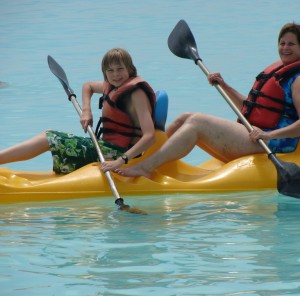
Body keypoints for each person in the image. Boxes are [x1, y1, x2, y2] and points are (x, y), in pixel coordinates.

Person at [116, 22, 300, 179]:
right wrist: (224, 85)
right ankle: (145, 157)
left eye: (291, 44)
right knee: (185, 117)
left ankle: (146, 167)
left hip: (274, 142)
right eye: (282, 43)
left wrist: (269, 136)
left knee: (197, 123)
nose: (285, 48)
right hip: (257, 133)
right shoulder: (280, 73)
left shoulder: (297, 79)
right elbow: (251, 108)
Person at [0, 48, 156, 174]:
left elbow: (149, 136)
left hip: (119, 153)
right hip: (106, 146)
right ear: (105, 73)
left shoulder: (136, 94)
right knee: (48, 134)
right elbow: (87, 86)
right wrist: (86, 110)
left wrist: (120, 161)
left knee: (49, 137)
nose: (115, 74)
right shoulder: (114, 86)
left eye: (120, 69)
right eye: (110, 70)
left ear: (129, 69)